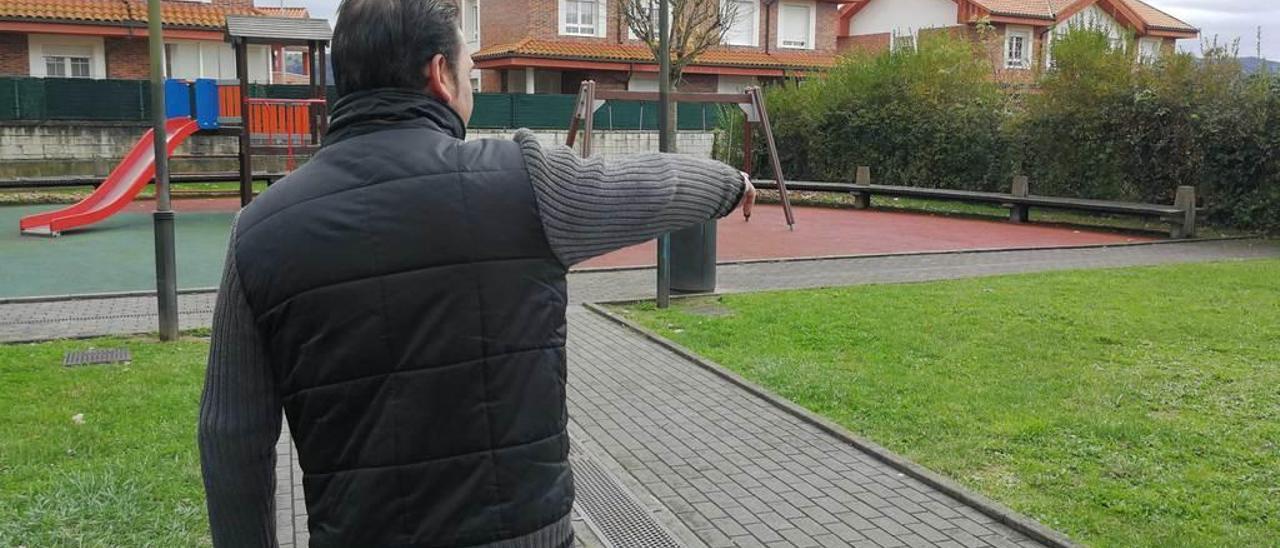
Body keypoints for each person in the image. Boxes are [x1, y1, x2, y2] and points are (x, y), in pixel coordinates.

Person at [197, 0, 755, 546]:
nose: (473, 86)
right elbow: (658, 185)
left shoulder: (259, 231)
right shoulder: (526, 183)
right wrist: (731, 183)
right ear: (439, 74)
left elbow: (230, 437)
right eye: (470, 71)